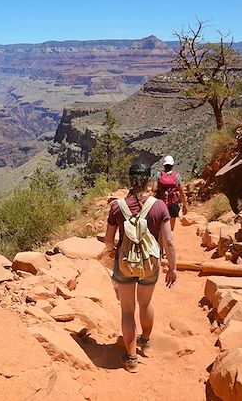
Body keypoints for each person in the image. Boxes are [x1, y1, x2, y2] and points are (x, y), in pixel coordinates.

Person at [105, 161, 177, 373]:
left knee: (128, 310)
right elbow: (169, 241)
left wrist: (113, 253)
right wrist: (172, 268)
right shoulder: (159, 206)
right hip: (150, 264)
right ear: (149, 181)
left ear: (129, 179)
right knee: (145, 303)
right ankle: (145, 340)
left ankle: (131, 358)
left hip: (125, 263)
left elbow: (109, 240)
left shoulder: (117, 207)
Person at [153, 155, 188, 230]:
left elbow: (153, 189)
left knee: (160, 227)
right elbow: (181, 192)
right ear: (172, 165)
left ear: (164, 165)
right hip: (173, 204)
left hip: (161, 204)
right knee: (171, 228)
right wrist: (184, 205)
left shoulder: (159, 174)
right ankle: (169, 239)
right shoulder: (176, 176)